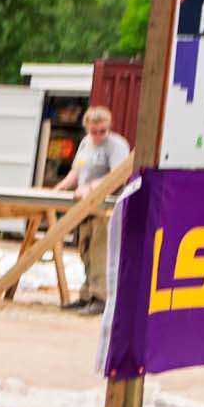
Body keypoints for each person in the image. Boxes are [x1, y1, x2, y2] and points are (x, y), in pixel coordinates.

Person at [60, 102, 134, 315]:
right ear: (87, 128)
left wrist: (91, 187)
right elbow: (76, 170)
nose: (99, 135)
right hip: (85, 205)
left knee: (100, 250)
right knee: (84, 248)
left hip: (105, 206)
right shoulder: (85, 143)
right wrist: (63, 186)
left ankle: (101, 297)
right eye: (94, 131)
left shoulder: (116, 145)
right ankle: (87, 294)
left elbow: (117, 176)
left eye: (103, 131)